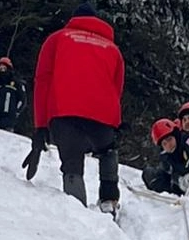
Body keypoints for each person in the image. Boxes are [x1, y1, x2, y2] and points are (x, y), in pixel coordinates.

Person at [25, 2, 124, 214]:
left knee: (72, 163)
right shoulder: (113, 49)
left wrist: (40, 126)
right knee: (107, 151)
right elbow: (117, 89)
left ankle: (77, 212)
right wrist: (114, 123)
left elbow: (42, 82)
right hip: (103, 116)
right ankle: (109, 201)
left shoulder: (57, 39)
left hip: (64, 113)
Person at [142, 118, 183, 196]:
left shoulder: (186, 147)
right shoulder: (165, 156)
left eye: (170, 139)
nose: (168, 145)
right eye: (164, 143)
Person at [0, 57, 26, 131]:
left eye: (4, 68)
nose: (2, 71)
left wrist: (16, 111)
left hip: (10, 117)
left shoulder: (16, 83)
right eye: (0, 69)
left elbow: (22, 99)